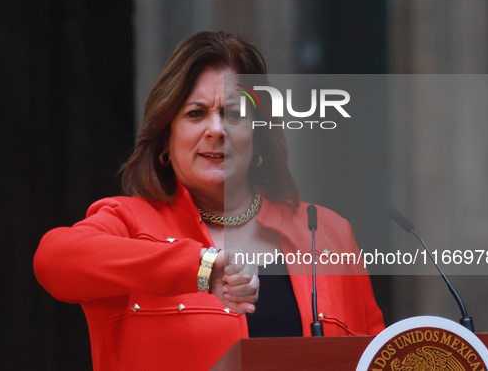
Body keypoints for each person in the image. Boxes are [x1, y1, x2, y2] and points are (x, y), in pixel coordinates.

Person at [34, 31, 384, 371]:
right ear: (166, 140)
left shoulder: (328, 233)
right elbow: (53, 260)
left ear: (258, 135)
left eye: (233, 114)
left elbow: (379, 355)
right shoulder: (129, 222)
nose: (216, 130)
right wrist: (200, 267)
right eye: (196, 113)